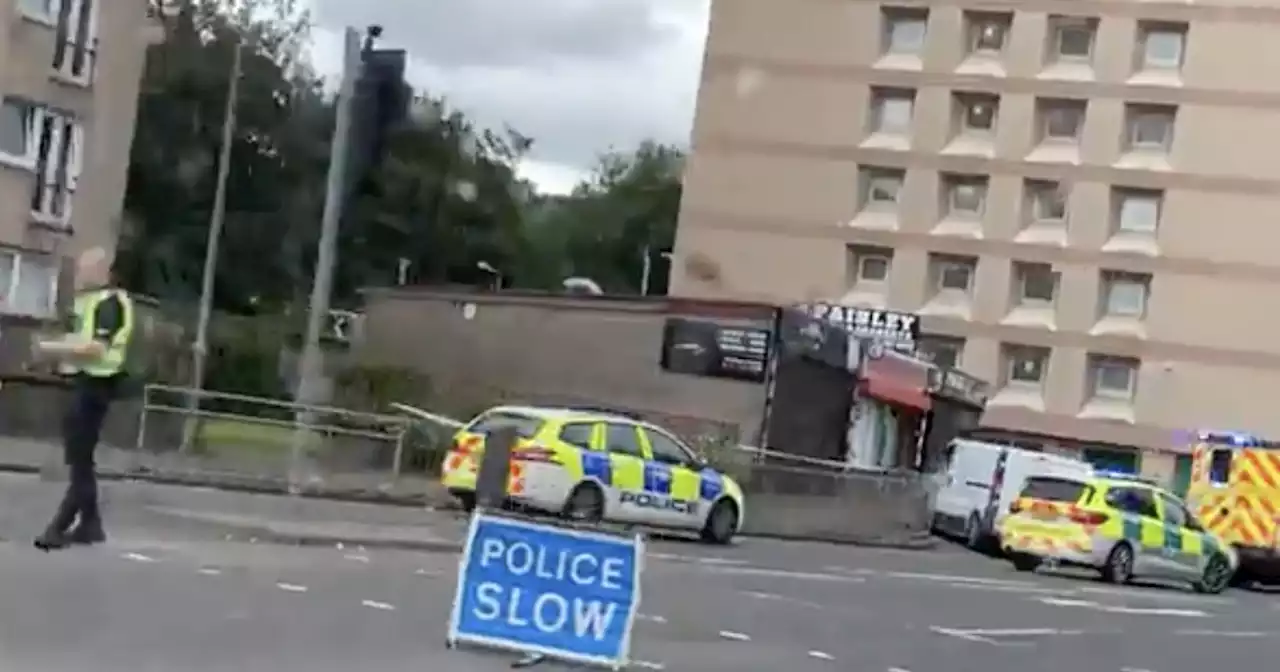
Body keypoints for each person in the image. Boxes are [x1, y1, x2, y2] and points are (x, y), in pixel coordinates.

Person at [33, 247, 136, 551]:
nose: (78, 275)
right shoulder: (89, 303)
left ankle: (58, 527)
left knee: (80, 459)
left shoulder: (111, 303)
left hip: (99, 385)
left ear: (102, 272)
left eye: (84, 270)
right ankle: (91, 524)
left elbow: (95, 349)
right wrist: (48, 356)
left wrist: (50, 349)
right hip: (85, 382)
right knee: (79, 456)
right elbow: (77, 343)